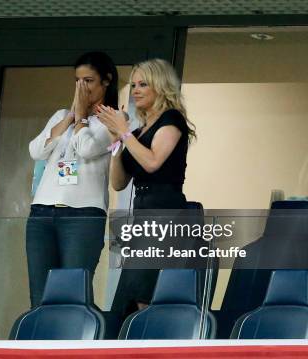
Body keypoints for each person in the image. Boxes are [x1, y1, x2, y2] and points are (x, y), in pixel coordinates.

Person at [97, 58, 196, 323]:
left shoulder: (171, 120)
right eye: (134, 85)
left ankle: (150, 341)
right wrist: (115, 140)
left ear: (160, 87)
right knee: (132, 292)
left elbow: (153, 162)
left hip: (165, 208)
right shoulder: (138, 131)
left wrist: (124, 132)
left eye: (143, 84)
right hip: (142, 211)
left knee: (145, 289)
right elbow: (118, 183)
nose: (136, 90)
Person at [26, 51, 118, 307]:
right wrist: (70, 116)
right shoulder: (61, 116)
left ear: (106, 81)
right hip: (42, 211)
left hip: (83, 214)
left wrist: (81, 118)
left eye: (88, 81)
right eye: (77, 81)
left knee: (72, 293)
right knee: (39, 295)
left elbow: (87, 149)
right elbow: (36, 151)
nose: (82, 88)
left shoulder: (111, 121)